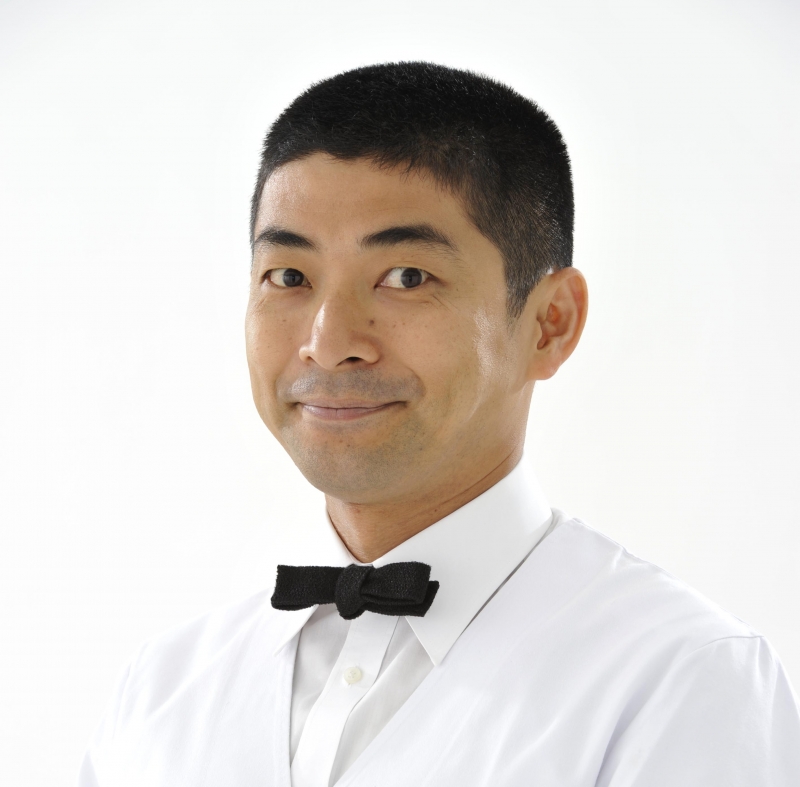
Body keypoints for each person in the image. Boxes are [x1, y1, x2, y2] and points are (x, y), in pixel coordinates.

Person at [78, 62, 800, 787]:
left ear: (549, 323)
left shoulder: (679, 681)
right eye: (289, 277)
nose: (328, 342)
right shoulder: (160, 693)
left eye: (406, 278)